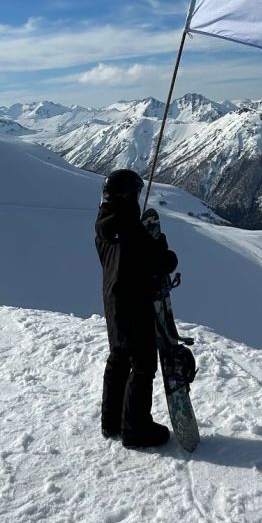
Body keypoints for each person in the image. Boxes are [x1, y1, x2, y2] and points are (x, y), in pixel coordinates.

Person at [95, 168, 177, 449]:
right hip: (134, 303)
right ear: (128, 196)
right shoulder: (130, 227)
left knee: (118, 357)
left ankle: (111, 422)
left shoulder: (103, 226)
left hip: (113, 300)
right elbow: (156, 263)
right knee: (143, 365)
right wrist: (165, 252)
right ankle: (135, 428)